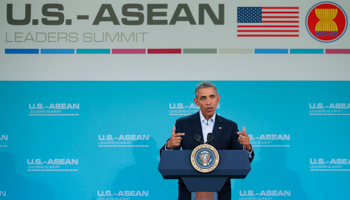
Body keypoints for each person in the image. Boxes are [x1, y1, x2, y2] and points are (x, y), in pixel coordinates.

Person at [160, 81, 254, 200]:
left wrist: (247, 148)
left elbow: (241, 161)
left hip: (221, 192)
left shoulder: (230, 126)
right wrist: (169, 146)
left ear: (218, 98)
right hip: (188, 191)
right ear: (196, 101)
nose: (208, 102)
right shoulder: (183, 123)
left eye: (212, 97)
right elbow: (168, 160)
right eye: (203, 98)